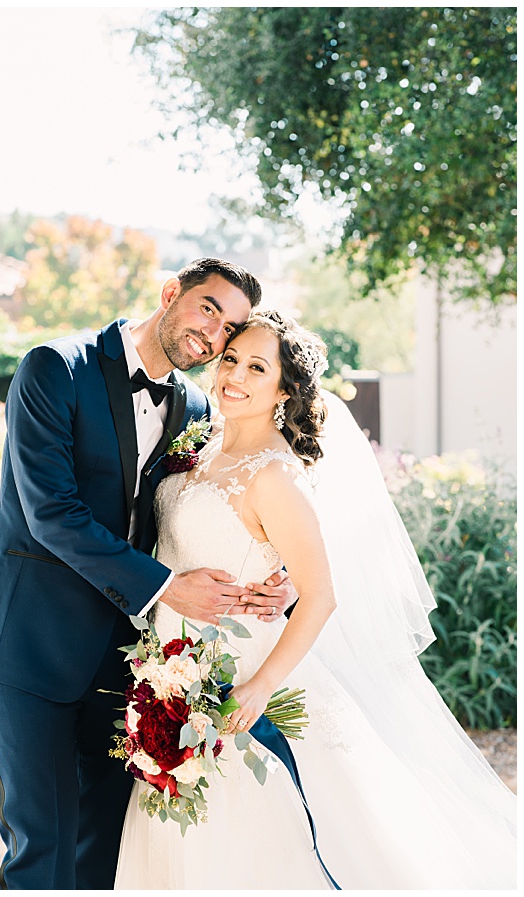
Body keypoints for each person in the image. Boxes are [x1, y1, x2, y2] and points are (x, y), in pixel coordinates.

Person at [116, 310, 516, 888]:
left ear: (284, 389)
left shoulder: (274, 476)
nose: (236, 376)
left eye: (258, 367)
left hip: (244, 679)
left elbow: (323, 595)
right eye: (231, 359)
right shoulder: (198, 446)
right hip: (170, 671)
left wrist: (258, 689)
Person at [0, 258, 296, 889]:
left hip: (127, 662)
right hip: (29, 646)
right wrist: (166, 588)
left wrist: (284, 575)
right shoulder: (54, 368)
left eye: (231, 329)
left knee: (105, 844)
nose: (214, 334)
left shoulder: (193, 406)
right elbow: (51, 514)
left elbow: (232, 496)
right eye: (208, 308)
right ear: (171, 294)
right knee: (42, 845)